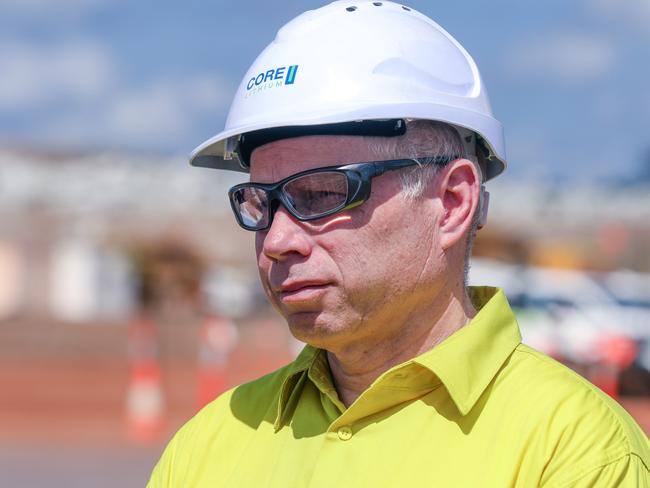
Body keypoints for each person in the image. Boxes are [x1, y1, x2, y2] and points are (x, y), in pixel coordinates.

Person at [148, 1, 650, 486]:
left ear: (452, 202)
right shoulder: (207, 446)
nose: (277, 239)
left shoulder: (576, 455)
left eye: (323, 192)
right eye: (262, 202)